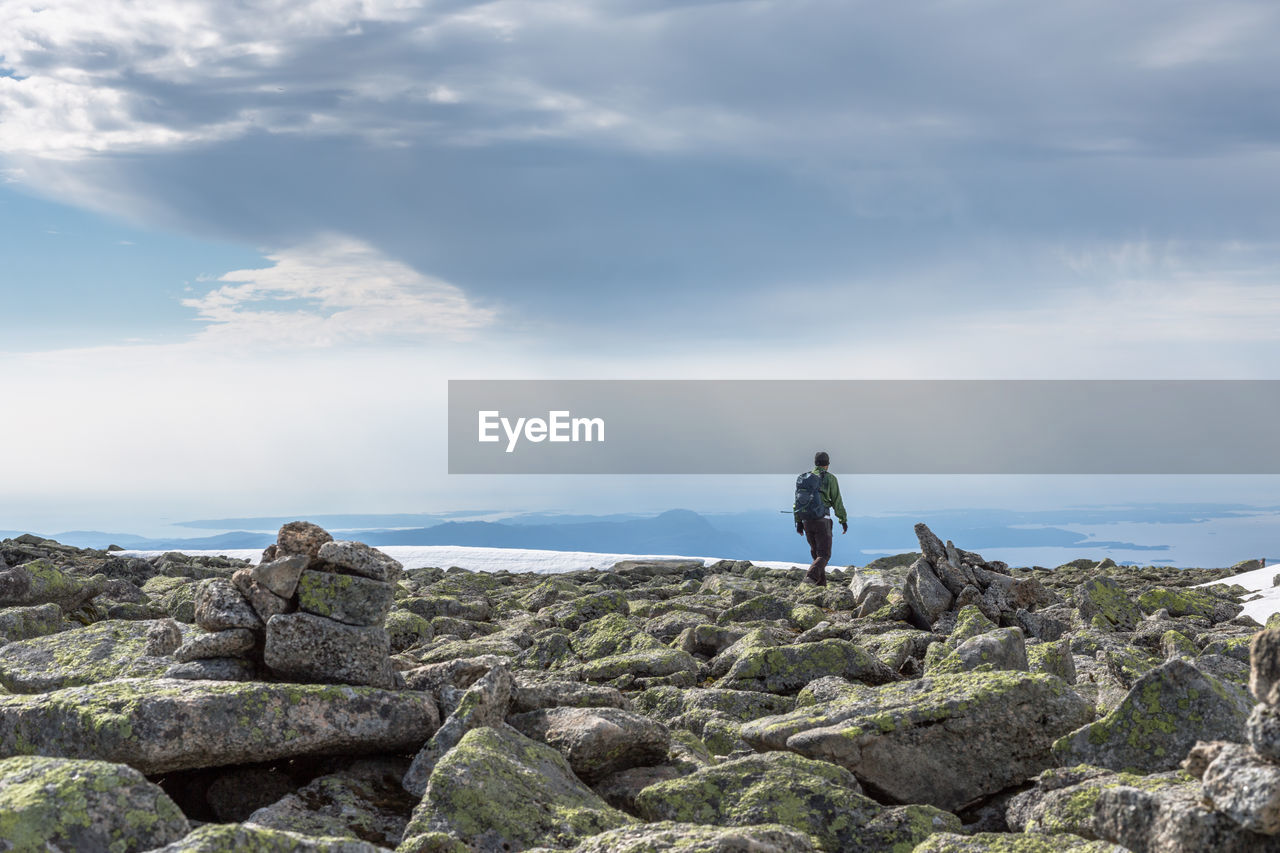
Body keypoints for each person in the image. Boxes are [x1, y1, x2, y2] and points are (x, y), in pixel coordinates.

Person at [793, 450, 848, 586]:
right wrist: (843, 520)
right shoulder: (830, 479)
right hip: (822, 520)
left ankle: (820, 585)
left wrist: (798, 522)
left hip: (806, 520)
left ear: (815, 463)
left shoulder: (805, 479)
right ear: (827, 464)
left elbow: (797, 502)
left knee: (816, 554)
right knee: (824, 554)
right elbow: (837, 501)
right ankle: (810, 578)